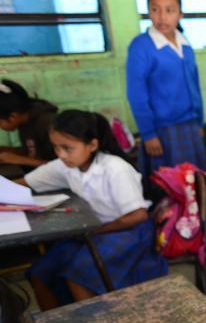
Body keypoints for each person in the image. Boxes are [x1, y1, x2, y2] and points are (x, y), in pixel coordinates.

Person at [20, 110, 168, 310]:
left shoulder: (115, 169)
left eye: (67, 148)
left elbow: (138, 215)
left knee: (79, 276)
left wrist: (95, 230)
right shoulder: (65, 166)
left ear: (92, 145)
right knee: (40, 273)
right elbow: (25, 183)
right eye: (56, 147)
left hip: (128, 230)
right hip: (93, 230)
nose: (61, 154)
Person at [126, 0, 206, 182]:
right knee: (170, 186)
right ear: (148, 12)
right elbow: (136, 94)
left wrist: (199, 121)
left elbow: (194, 85)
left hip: (189, 125)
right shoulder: (141, 46)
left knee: (195, 183)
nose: (162, 17)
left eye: (169, 10)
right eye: (155, 9)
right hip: (162, 130)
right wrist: (148, 134)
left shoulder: (185, 44)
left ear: (180, 14)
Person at [0, 79, 58, 170]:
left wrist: (20, 159)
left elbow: (66, 167)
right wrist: (9, 151)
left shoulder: (48, 124)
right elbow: (33, 152)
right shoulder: (24, 121)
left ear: (12, 117)